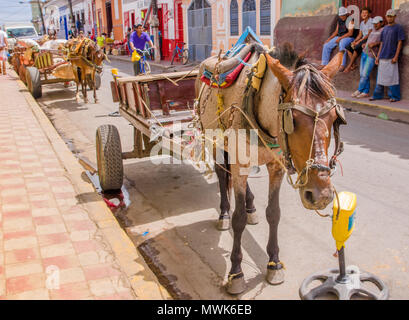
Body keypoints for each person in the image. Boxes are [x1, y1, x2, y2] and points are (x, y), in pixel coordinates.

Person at [371, 9, 405, 102]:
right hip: (382, 56)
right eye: (388, 16)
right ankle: (377, 95)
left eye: (391, 16)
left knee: (393, 78)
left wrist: (396, 56)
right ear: (386, 17)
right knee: (380, 78)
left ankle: (394, 96)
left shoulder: (398, 28)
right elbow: (381, 43)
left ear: (395, 17)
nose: (389, 18)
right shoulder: (385, 28)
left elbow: (400, 42)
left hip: (391, 57)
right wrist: (378, 57)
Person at [351, 16, 384, 98]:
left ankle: (359, 90)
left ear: (381, 23)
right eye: (374, 23)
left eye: (377, 23)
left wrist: (375, 44)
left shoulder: (383, 31)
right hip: (364, 53)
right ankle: (365, 91)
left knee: (365, 74)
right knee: (362, 74)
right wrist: (365, 44)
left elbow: (383, 43)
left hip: (372, 55)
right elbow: (369, 39)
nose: (375, 25)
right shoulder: (373, 30)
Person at [321, 7, 355, 71]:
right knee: (326, 45)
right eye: (341, 15)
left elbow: (350, 33)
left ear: (346, 14)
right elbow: (336, 31)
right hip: (340, 36)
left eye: (343, 15)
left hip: (349, 38)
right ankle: (324, 63)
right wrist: (329, 39)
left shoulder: (350, 20)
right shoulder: (339, 20)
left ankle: (342, 64)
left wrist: (340, 38)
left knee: (342, 43)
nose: (342, 17)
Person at [344, 7, 373, 73]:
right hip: (363, 39)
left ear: (369, 14)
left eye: (366, 13)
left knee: (356, 47)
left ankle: (349, 66)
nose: (364, 14)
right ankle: (353, 65)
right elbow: (360, 34)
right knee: (348, 47)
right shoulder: (362, 23)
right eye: (363, 13)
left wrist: (359, 41)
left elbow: (369, 35)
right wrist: (355, 41)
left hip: (369, 39)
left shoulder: (371, 21)